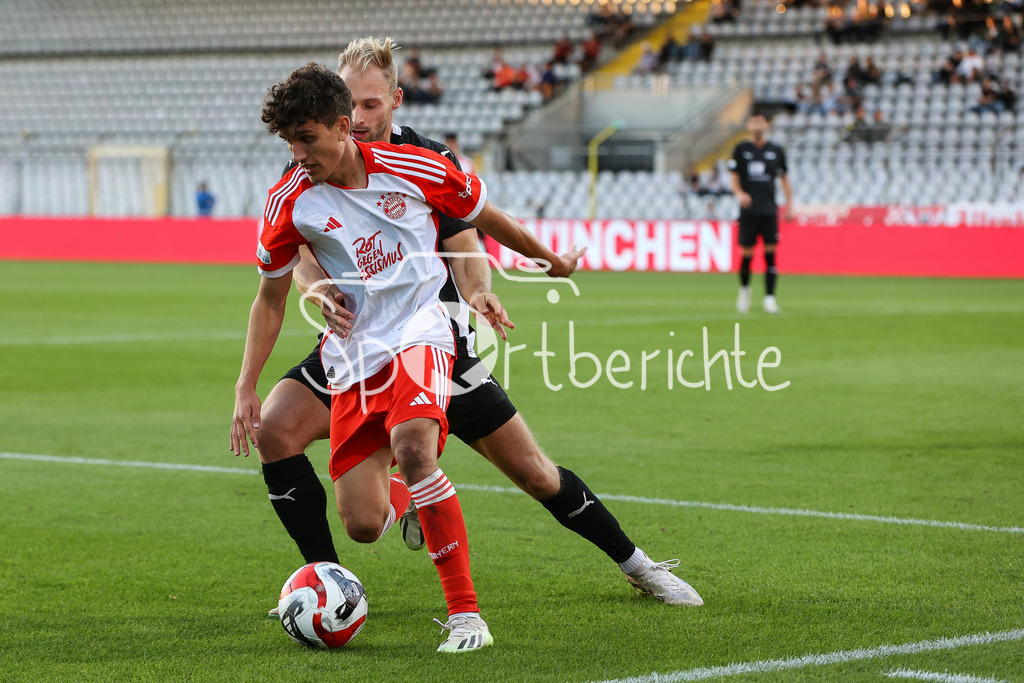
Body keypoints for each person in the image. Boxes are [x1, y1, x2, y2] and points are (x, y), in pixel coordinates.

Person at [244, 36, 702, 637]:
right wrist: (314, 288)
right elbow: (295, 256)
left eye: (370, 105)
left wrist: (487, 286)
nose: (360, 117)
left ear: (393, 102)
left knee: (535, 474)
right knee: (283, 437)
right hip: (357, 342)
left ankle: (637, 564)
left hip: (435, 339)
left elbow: (467, 239)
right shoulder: (305, 169)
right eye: (351, 103)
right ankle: (330, 582)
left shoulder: (422, 161)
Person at [231, 61, 584, 653]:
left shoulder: (413, 167)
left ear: (343, 127)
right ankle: (401, 507)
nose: (299, 154)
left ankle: (467, 616)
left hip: (423, 331)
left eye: (308, 140)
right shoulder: (289, 201)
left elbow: (483, 217)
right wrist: (247, 385)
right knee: (364, 526)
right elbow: (269, 297)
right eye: (290, 142)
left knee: (415, 449)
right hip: (355, 355)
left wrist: (551, 260)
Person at [728, 111, 793, 314]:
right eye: (753, 121)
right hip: (748, 211)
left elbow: (784, 179)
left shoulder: (776, 150)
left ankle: (770, 298)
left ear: (766, 125)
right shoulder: (740, 149)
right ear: (748, 125)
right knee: (746, 255)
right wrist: (739, 193)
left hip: (769, 210)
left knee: (770, 255)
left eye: (760, 122)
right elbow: (734, 176)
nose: (757, 125)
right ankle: (745, 290)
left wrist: (789, 204)